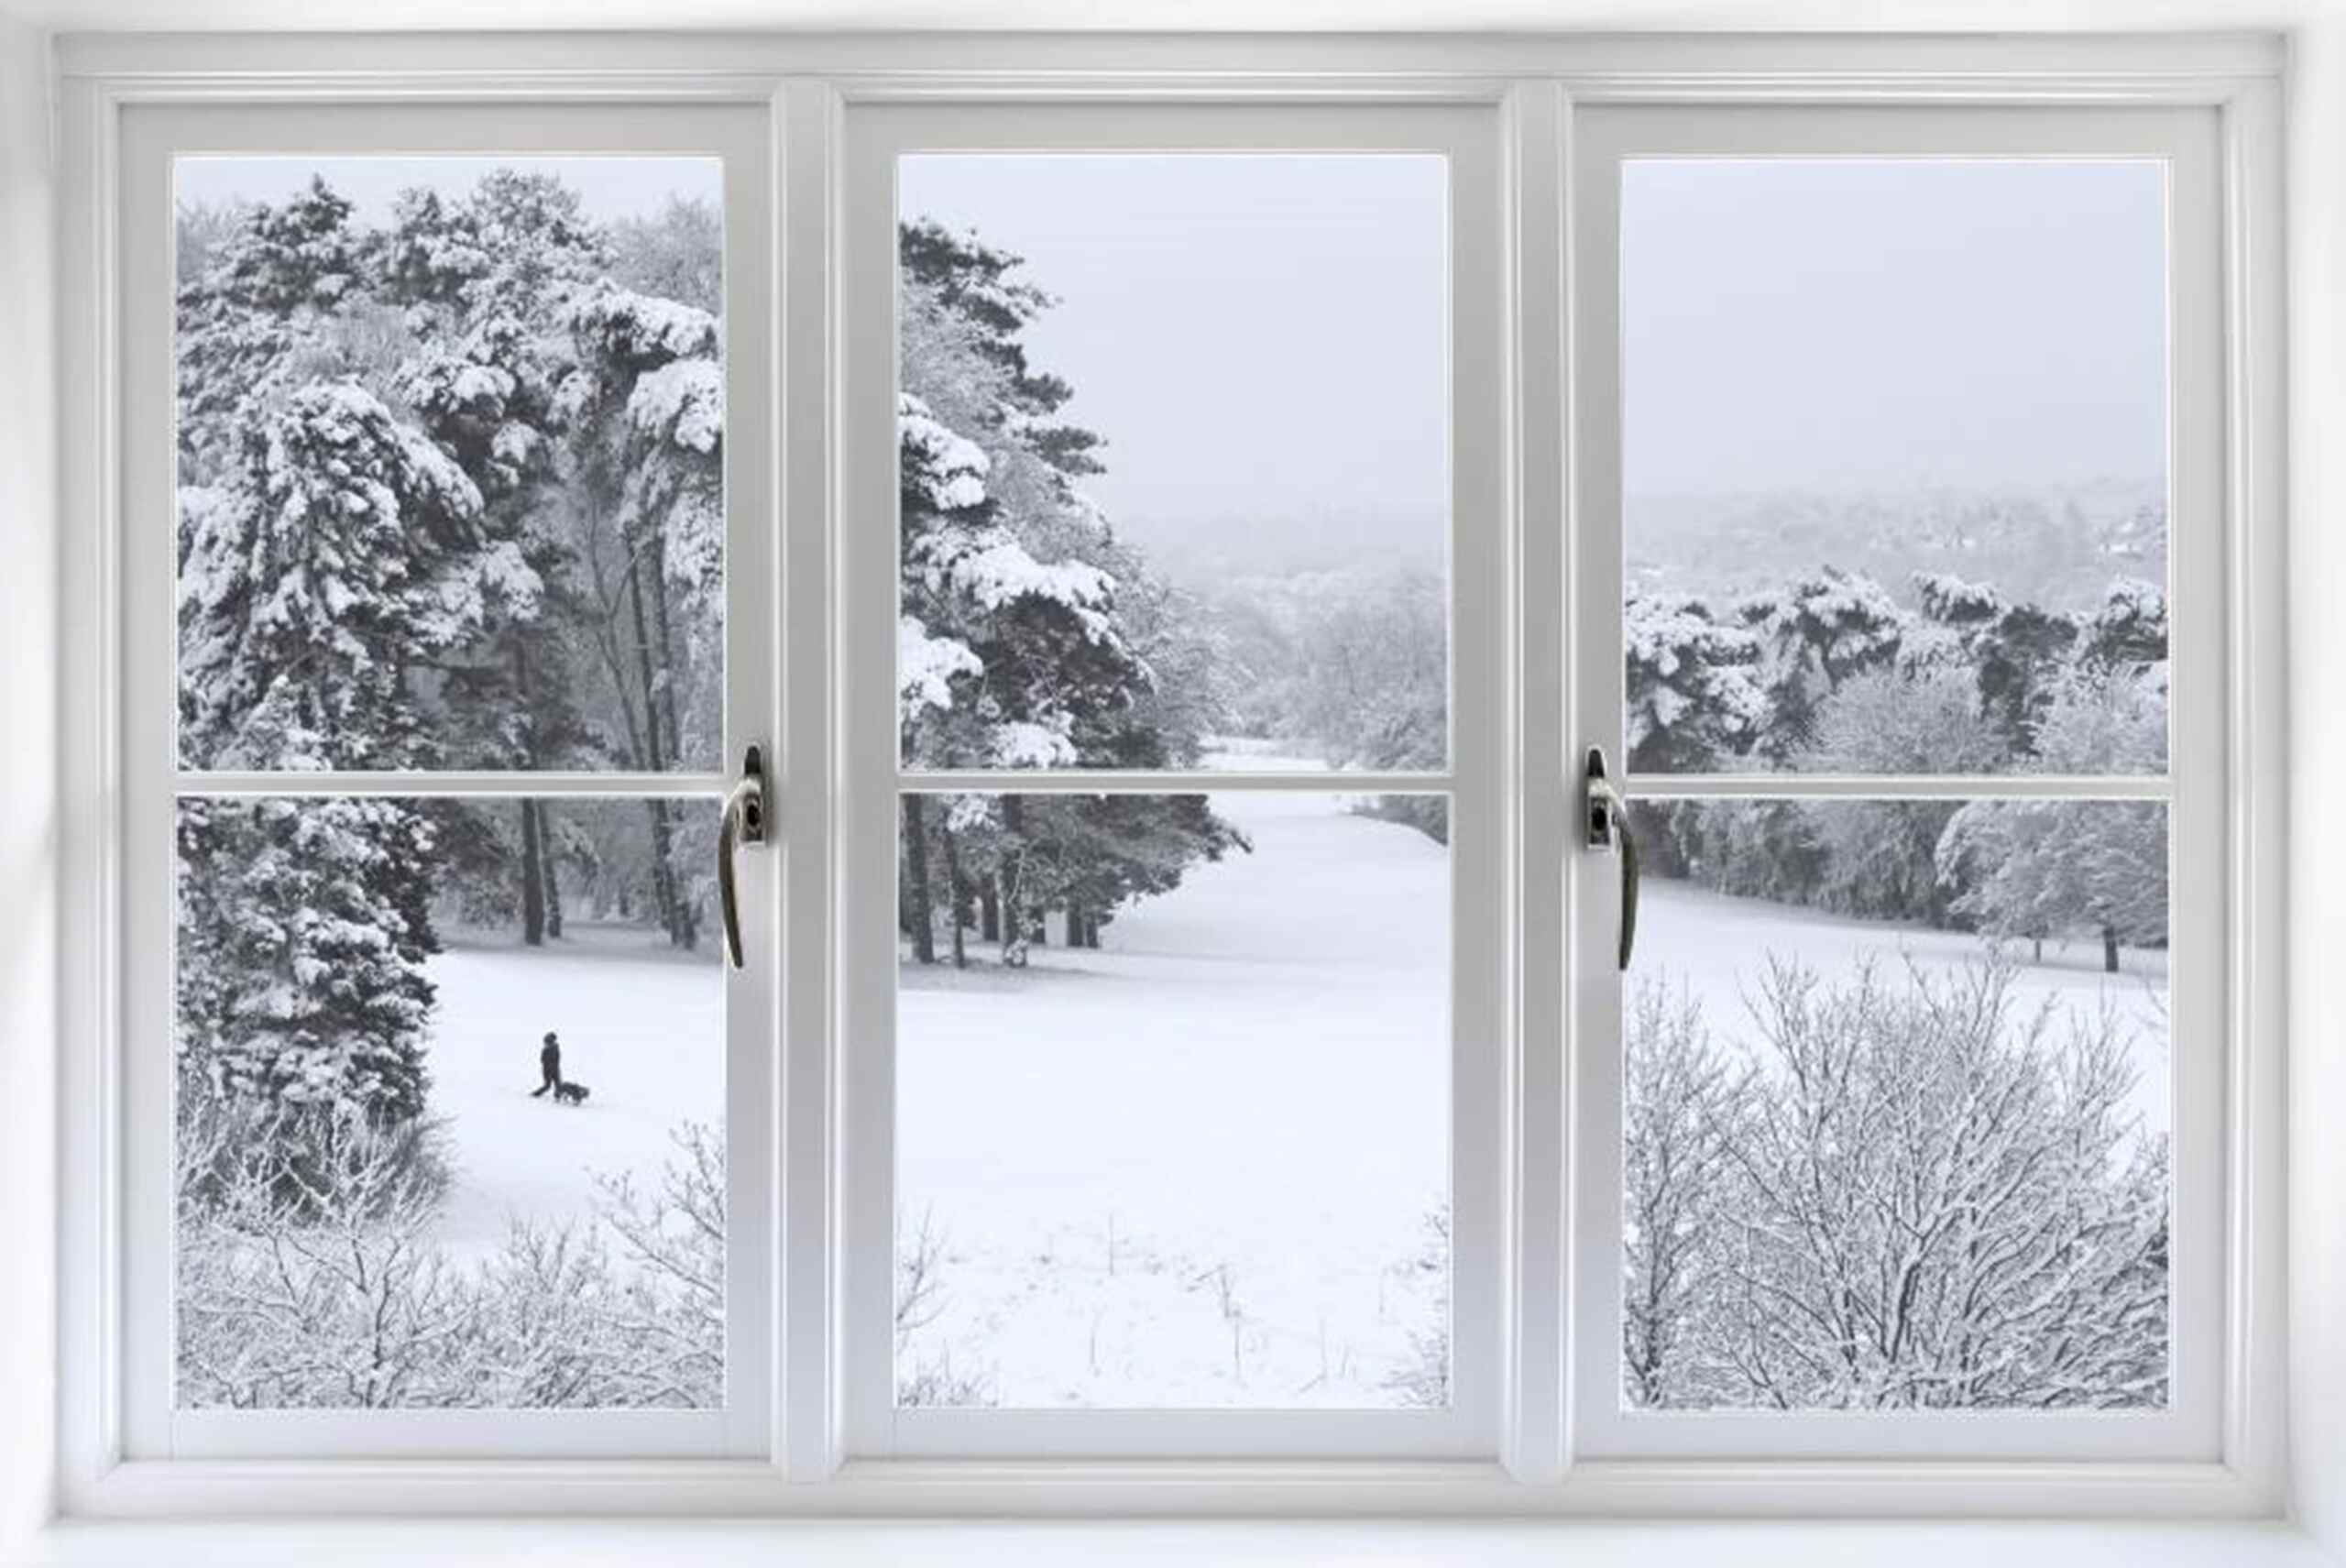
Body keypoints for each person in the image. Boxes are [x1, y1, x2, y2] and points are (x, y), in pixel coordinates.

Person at [531, 1031, 562, 1099]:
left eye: (547, 1041)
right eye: (546, 1042)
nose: (545, 1043)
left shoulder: (555, 1048)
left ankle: (557, 1097)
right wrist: (548, 1066)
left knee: (558, 1085)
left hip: (554, 1069)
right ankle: (535, 1095)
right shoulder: (546, 1049)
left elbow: (557, 1059)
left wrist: (552, 1066)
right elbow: (542, 1060)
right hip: (548, 1070)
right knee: (548, 1086)